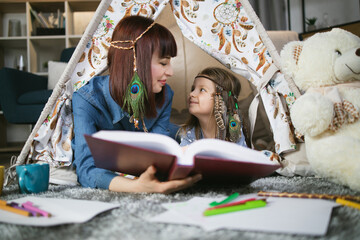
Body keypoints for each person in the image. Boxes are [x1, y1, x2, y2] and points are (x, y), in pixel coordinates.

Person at [72, 16, 201, 193]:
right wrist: (137, 187)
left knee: (190, 139)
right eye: (163, 63)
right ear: (135, 61)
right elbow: (86, 170)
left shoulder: (165, 94)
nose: (170, 72)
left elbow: (158, 151)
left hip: (164, 139)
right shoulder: (87, 99)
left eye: (170, 62)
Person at [178, 67, 250, 147]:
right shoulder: (189, 132)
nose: (192, 94)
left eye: (202, 90)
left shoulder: (234, 131)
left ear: (221, 99)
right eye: (193, 89)